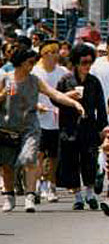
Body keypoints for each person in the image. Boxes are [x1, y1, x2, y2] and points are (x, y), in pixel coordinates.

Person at [0, 48, 84, 213]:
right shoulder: (6, 79)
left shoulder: (34, 81)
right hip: (7, 127)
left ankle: (30, 196)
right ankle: (9, 196)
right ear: (20, 62)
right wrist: (2, 95)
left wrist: (74, 103)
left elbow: (54, 94)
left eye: (33, 62)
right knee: (7, 165)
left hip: (29, 127)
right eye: (30, 62)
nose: (32, 66)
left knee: (29, 159)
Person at [56, 43, 108, 211]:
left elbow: (101, 106)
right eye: (83, 62)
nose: (87, 66)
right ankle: (77, 196)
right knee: (70, 162)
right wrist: (67, 96)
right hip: (69, 127)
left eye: (89, 62)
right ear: (76, 63)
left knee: (89, 161)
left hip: (89, 127)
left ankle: (90, 193)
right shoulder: (65, 80)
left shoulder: (94, 82)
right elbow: (54, 98)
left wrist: (103, 128)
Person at [31, 39, 68, 203]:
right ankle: (39, 184)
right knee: (39, 154)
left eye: (56, 52)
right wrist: (36, 105)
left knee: (53, 156)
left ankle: (51, 184)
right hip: (39, 118)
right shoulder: (34, 72)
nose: (54, 55)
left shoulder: (63, 72)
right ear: (43, 54)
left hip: (58, 119)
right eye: (50, 52)